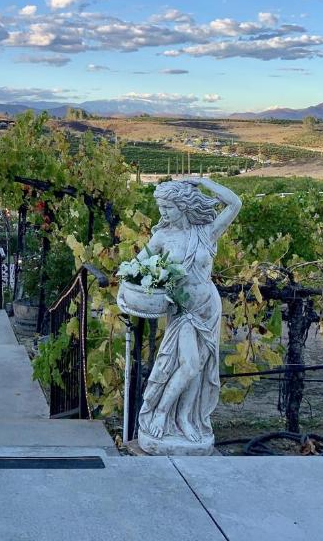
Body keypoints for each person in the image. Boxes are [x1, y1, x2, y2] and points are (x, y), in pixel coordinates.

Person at [136, 176, 241, 454]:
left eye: (168, 207)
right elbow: (136, 267)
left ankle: (184, 418)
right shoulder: (162, 236)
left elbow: (235, 203)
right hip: (183, 311)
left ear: (183, 205)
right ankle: (160, 412)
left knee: (199, 369)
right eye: (161, 207)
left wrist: (203, 181)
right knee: (189, 364)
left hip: (209, 308)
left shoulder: (206, 232)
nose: (163, 213)